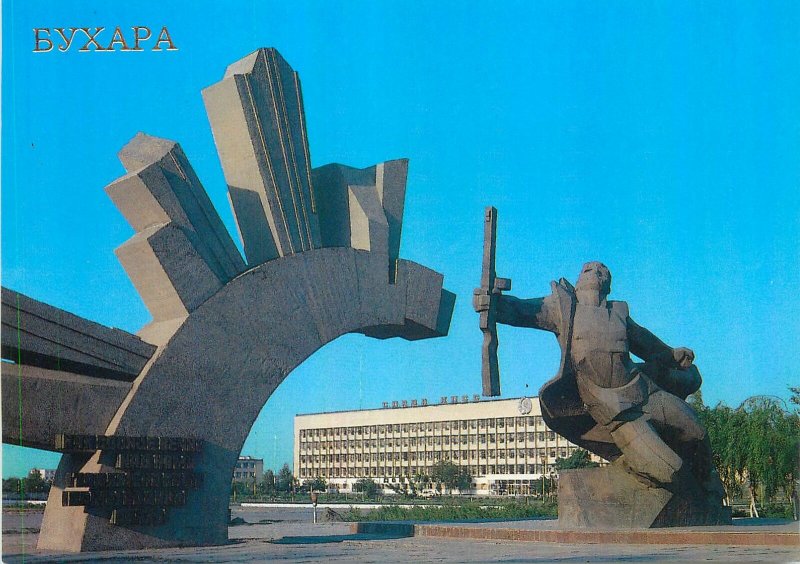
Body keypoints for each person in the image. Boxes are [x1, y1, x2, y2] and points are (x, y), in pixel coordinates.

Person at [474, 261, 724, 500]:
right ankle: (631, 463)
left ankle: (707, 484)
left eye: (602, 270)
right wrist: (492, 303)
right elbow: (521, 310)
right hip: (613, 408)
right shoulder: (563, 308)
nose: (596, 271)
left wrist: (671, 354)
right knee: (668, 470)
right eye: (589, 269)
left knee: (696, 432)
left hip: (645, 391)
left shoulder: (618, 311)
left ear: (608, 285)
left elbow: (647, 344)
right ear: (578, 280)